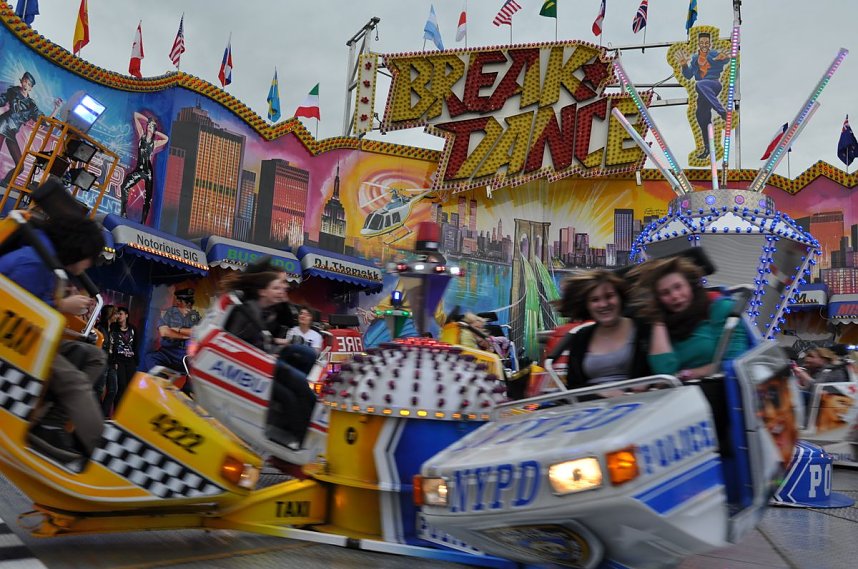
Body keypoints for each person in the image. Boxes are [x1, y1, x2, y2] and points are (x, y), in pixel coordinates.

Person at [0, 214, 106, 462]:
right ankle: (101, 458)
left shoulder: (48, 263)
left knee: (94, 357)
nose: (89, 266)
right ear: (79, 250)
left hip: (26, 339)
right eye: (90, 258)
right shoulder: (35, 263)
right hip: (13, 344)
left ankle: (50, 424)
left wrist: (60, 298)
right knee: (75, 383)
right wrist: (62, 304)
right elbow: (17, 312)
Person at [220, 266, 317, 449]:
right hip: (255, 368)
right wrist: (266, 353)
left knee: (301, 379)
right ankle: (299, 438)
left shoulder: (264, 310)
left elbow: (263, 336)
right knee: (292, 392)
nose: (282, 290)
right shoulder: (248, 311)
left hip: (264, 362)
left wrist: (273, 346)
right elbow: (238, 343)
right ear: (262, 291)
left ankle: (304, 434)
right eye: (277, 287)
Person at [631, 256, 747, 381]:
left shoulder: (719, 308)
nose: (675, 296)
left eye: (678, 287)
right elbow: (665, 373)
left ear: (690, 285)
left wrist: (695, 373)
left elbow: (735, 360)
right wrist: (658, 320)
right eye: (665, 293)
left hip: (726, 386)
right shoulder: (662, 326)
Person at [552, 269, 652, 388]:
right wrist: (597, 394)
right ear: (587, 305)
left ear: (620, 297)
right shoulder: (581, 337)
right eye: (595, 300)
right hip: (591, 403)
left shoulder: (642, 328)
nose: (603, 305)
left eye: (609, 296)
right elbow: (574, 386)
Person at [0, 71, 62, 185]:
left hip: (11, 131)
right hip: (3, 124)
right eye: (24, 81)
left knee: (20, 166)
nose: (25, 85)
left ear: (31, 88)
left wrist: (56, 109)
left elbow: (45, 122)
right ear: (21, 81)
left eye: (28, 84)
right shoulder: (13, 91)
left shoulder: (31, 105)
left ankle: (4, 183)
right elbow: (2, 99)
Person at [675, 32, 729, 160]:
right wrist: (683, 65)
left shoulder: (714, 54)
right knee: (701, 116)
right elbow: (689, 75)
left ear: (709, 43)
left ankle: (722, 112)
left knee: (701, 85)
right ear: (699, 43)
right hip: (703, 92)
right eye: (702, 42)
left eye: (706, 42)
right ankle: (708, 148)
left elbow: (725, 58)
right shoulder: (694, 58)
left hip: (713, 84)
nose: (704, 45)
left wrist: (719, 59)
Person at [119, 113, 168, 223]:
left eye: (152, 126)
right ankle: (123, 212)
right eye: (149, 125)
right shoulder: (141, 135)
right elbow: (136, 115)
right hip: (139, 169)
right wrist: (148, 121)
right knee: (124, 186)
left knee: (148, 199)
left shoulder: (154, 143)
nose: (150, 127)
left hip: (148, 171)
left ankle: (142, 222)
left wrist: (154, 130)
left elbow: (166, 138)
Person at [144, 287, 201, 375]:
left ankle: (187, 389)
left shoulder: (195, 317)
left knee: (197, 367)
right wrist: (184, 335)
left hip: (183, 356)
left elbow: (197, 332)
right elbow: (164, 332)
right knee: (150, 358)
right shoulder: (169, 314)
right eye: (179, 301)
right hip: (166, 353)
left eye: (189, 303)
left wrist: (178, 330)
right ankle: (161, 381)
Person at [109, 306, 138, 407]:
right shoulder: (113, 327)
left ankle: (124, 410)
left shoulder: (133, 329)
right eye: (117, 314)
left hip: (130, 361)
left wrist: (135, 361)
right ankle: (116, 410)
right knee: (121, 385)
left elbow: (136, 345)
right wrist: (113, 360)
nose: (119, 316)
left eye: (121, 314)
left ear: (126, 315)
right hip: (119, 361)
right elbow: (111, 345)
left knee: (129, 387)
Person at [93, 304, 118, 417]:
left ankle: (103, 414)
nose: (117, 316)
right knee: (98, 389)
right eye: (115, 313)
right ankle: (94, 414)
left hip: (110, 363)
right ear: (109, 315)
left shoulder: (111, 328)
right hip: (102, 362)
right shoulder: (100, 328)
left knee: (113, 389)